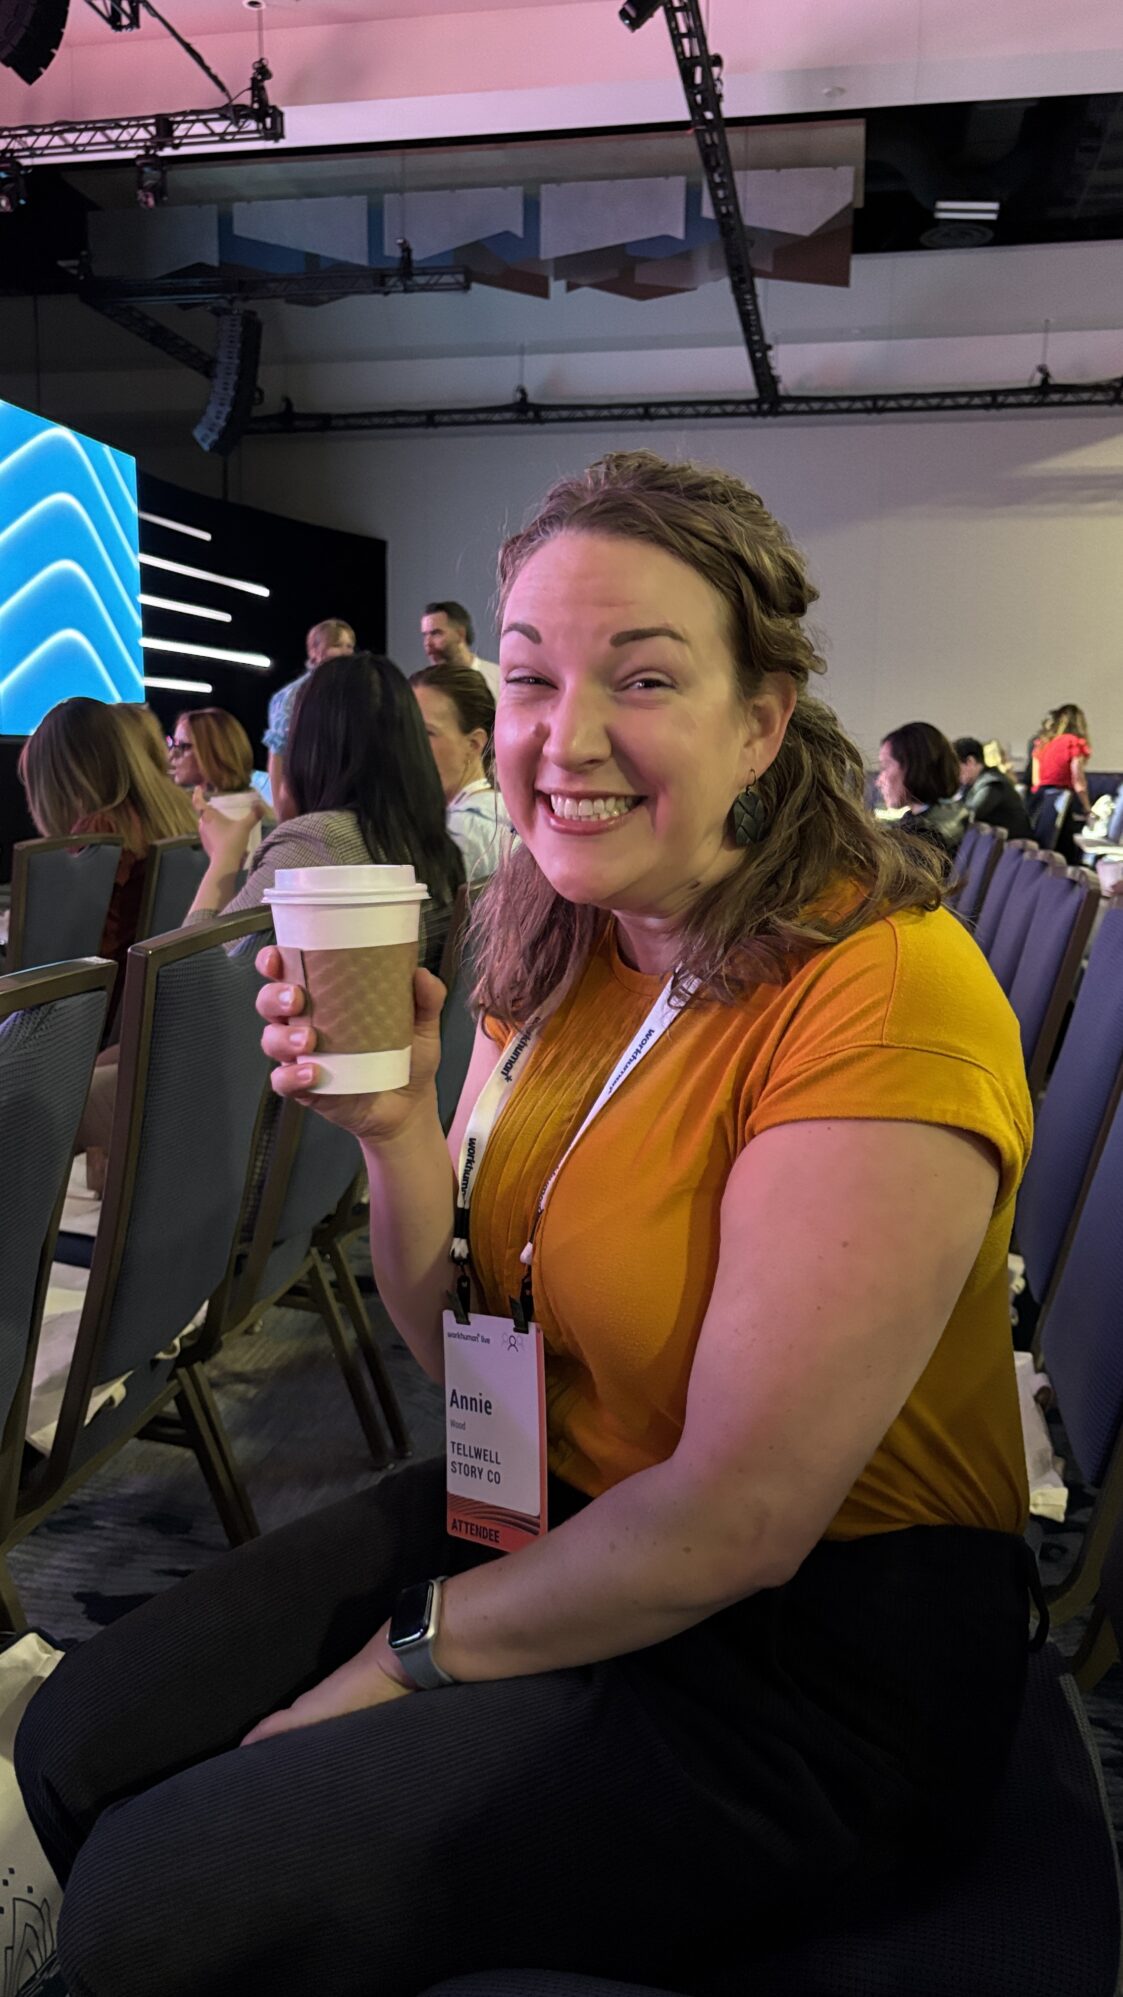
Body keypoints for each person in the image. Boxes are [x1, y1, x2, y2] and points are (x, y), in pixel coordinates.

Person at [17, 453, 1038, 1997]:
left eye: (640, 677)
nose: (564, 738)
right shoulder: (567, 938)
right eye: (530, 677)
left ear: (758, 720)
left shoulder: (877, 990)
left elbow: (738, 1522)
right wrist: (394, 1130)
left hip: (810, 1655)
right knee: (77, 1735)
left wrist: (401, 1657)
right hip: (553, 1501)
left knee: (166, 1901)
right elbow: (466, 1344)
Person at [186, 651, 463, 975]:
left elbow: (188, 984)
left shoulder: (316, 842)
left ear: (308, 747)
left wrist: (223, 859)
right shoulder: (434, 843)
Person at [18, 697, 196, 983]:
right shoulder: (173, 811)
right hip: (152, 997)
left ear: (61, 780)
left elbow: (68, 957)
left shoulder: (101, 831)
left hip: (98, 1011)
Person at [411, 660, 512, 880]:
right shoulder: (508, 813)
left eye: (426, 733)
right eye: (405, 730)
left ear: (474, 744)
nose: (408, 744)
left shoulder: (459, 833)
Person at [263, 618, 356, 806]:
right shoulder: (293, 696)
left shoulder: (354, 692)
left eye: (350, 646)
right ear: (314, 651)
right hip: (307, 796)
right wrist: (281, 809)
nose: (346, 653)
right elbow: (278, 755)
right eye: (337, 645)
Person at [168, 707, 268, 856]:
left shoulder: (220, 815)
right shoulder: (255, 805)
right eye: (173, 745)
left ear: (214, 752)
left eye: (182, 746)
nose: (171, 756)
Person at [877, 721, 969, 856]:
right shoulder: (948, 815)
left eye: (885, 767)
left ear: (914, 768)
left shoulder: (924, 835)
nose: (879, 781)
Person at [954, 736, 1033, 839]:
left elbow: (969, 816)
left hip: (1012, 848)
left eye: (956, 765)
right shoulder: (976, 784)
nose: (954, 772)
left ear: (970, 761)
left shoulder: (992, 784)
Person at [421, 599, 499, 700]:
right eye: (425, 635)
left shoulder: (498, 680)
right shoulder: (425, 689)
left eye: (436, 633)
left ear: (460, 634)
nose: (427, 643)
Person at [1031, 703, 1092, 812]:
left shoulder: (1043, 744)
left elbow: (1036, 780)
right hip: (1062, 797)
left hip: (1040, 798)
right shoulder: (1074, 743)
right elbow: (1078, 781)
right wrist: (1087, 808)